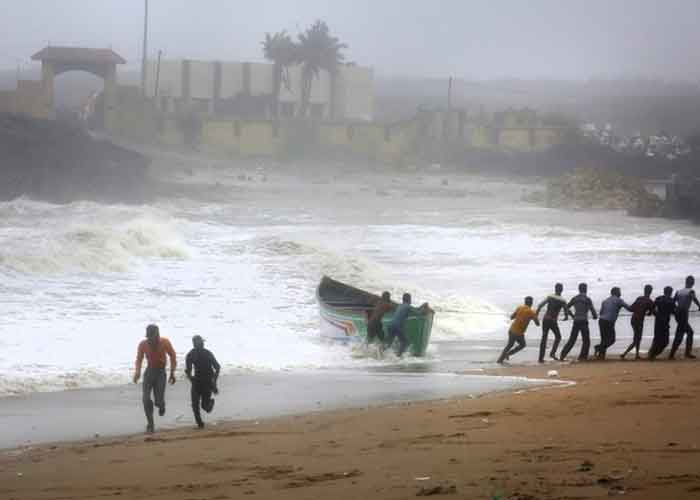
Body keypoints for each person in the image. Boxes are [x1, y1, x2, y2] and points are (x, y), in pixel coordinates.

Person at [133, 324, 177, 433]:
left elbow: (173, 356)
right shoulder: (143, 344)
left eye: (152, 337)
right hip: (149, 372)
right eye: (148, 337)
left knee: (158, 401)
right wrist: (137, 371)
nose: (150, 340)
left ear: (157, 335)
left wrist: (172, 373)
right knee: (146, 399)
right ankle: (151, 424)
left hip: (161, 373)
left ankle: (161, 405)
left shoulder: (165, 342)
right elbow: (139, 359)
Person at [185, 335, 221, 429]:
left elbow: (217, 367)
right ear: (194, 345)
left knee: (206, 407)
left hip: (207, 381)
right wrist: (190, 378)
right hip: (196, 381)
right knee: (194, 404)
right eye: (198, 344)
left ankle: (210, 403)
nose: (200, 345)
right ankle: (200, 424)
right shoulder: (190, 355)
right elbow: (188, 370)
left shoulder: (208, 353)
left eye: (201, 343)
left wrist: (214, 382)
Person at [560, 283, 598, 361]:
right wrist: (595, 316)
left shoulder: (575, 298)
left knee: (572, 339)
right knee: (586, 340)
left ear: (579, 289)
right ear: (586, 289)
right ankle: (582, 357)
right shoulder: (587, 299)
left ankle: (562, 355)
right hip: (584, 321)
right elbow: (593, 311)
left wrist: (572, 315)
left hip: (576, 320)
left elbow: (566, 307)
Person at [497, 296, 540, 364]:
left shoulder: (519, 307)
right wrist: (535, 316)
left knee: (510, 345)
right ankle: (506, 355)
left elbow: (511, 317)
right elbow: (537, 324)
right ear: (531, 303)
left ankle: (500, 359)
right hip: (519, 333)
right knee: (522, 345)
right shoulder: (532, 312)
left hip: (512, 330)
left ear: (525, 302)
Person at [595, 287, 632, 360]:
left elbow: (601, 312)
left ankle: (601, 356)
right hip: (609, 322)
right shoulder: (619, 300)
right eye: (619, 291)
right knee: (612, 340)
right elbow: (629, 308)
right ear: (616, 292)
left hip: (601, 320)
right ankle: (598, 347)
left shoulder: (605, 301)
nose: (620, 293)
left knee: (604, 339)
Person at [536, 283, 569, 362]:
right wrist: (566, 317)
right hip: (553, 321)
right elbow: (566, 311)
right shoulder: (563, 300)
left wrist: (536, 313)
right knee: (558, 337)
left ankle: (540, 358)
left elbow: (540, 305)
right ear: (562, 289)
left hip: (546, 319)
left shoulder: (550, 297)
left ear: (555, 289)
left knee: (544, 338)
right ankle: (552, 353)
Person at [670, 275, 700, 360]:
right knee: (686, 333)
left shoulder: (678, 291)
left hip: (678, 314)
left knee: (681, 332)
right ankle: (685, 353)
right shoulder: (691, 291)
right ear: (693, 283)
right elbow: (694, 299)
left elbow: (673, 302)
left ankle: (674, 354)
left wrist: (675, 310)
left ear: (686, 282)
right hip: (683, 314)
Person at [621, 285, 655, 360]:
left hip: (633, 319)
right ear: (650, 291)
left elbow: (631, 308)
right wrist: (647, 312)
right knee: (637, 339)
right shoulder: (650, 301)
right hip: (639, 321)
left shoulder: (639, 298)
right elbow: (651, 313)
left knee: (637, 338)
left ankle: (636, 354)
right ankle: (624, 354)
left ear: (644, 290)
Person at [648, 286, 675, 360]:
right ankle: (653, 354)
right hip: (665, 322)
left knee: (657, 339)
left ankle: (651, 354)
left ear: (664, 291)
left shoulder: (659, 299)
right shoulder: (671, 301)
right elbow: (674, 312)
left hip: (658, 322)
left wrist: (654, 314)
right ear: (670, 292)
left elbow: (651, 308)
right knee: (665, 341)